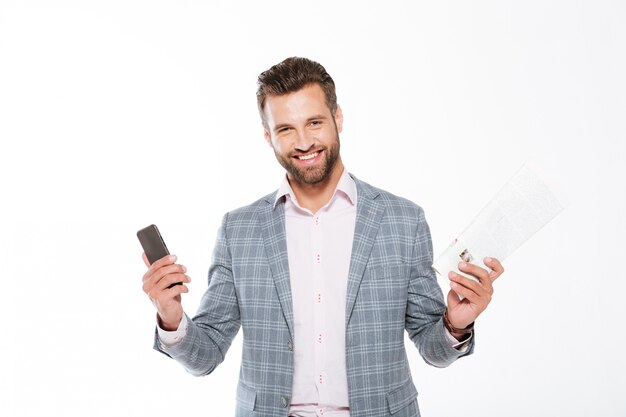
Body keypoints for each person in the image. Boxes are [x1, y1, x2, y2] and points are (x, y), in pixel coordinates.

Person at [141, 57, 504, 417]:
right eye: (285, 129)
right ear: (268, 137)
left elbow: (432, 349)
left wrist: (456, 324)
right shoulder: (239, 230)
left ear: (338, 118)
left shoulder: (403, 221)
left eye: (314, 122)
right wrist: (171, 317)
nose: (303, 142)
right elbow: (205, 356)